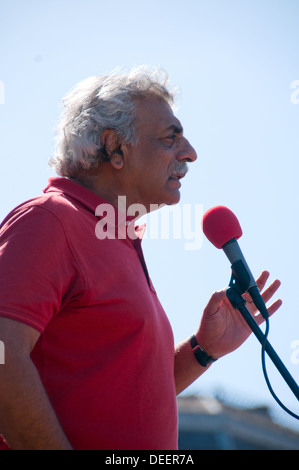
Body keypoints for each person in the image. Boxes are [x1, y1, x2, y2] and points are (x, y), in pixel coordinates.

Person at [0, 66, 282, 450]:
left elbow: (127, 391)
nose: (190, 153)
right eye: (171, 137)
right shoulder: (51, 219)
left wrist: (203, 348)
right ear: (114, 147)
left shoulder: (116, 238)